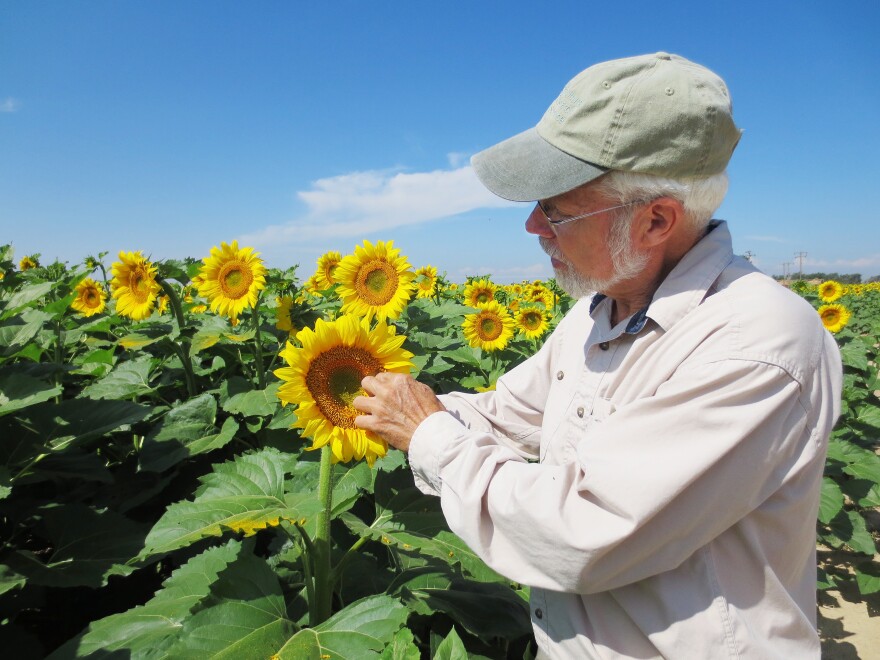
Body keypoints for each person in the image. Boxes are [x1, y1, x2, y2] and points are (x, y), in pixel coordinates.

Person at [353, 52, 842, 659]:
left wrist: (427, 436)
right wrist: (377, 410)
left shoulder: (755, 343)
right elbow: (509, 414)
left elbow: (584, 534)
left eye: (556, 207)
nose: (534, 225)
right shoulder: (601, 310)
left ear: (655, 221)